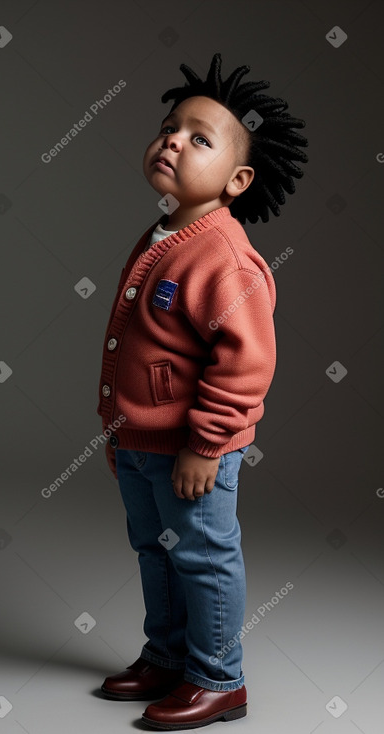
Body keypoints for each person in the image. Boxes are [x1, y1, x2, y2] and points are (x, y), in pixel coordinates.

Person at [96, 52, 308, 730]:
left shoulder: (221, 253)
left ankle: (219, 678)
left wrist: (206, 443)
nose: (172, 141)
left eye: (199, 138)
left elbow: (245, 362)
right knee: (154, 550)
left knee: (202, 555)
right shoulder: (165, 232)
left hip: (191, 450)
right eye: (168, 127)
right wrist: (122, 431)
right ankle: (167, 657)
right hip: (139, 440)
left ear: (238, 179)